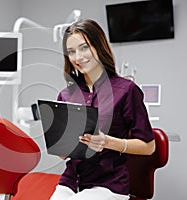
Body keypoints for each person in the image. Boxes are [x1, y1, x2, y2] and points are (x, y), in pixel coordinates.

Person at [49, 19, 156, 200]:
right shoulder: (66, 95)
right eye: (71, 52)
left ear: (99, 46)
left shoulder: (126, 90)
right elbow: (62, 154)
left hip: (108, 185)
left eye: (84, 47)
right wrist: (60, 144)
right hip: (70, 182)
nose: (78, 57)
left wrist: (107, 142)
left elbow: (149, 147)